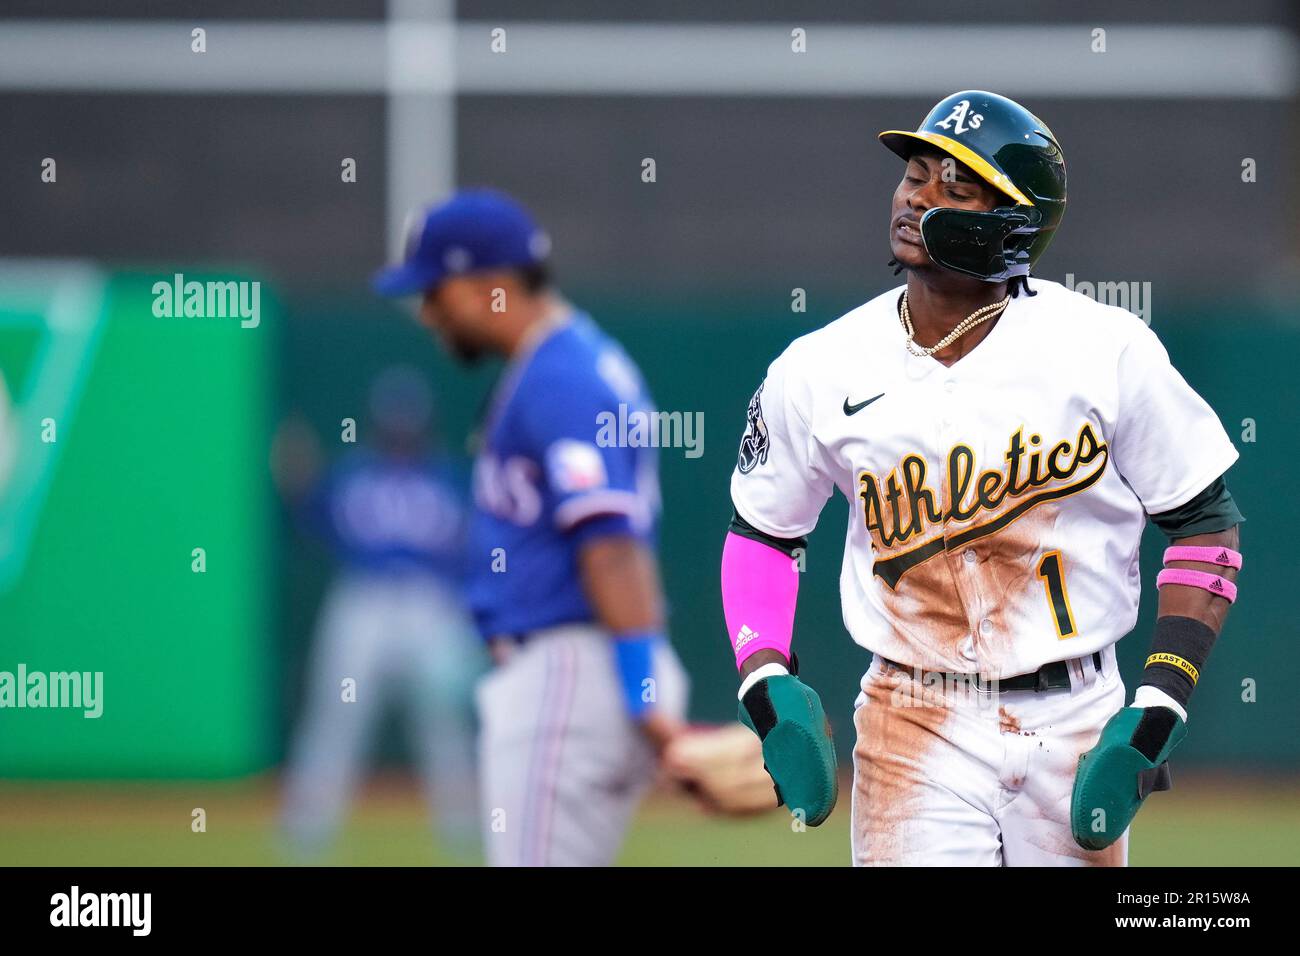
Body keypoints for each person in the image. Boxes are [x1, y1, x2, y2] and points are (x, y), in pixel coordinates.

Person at [722, 91, 1244, 866]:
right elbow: (764, 532)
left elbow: (1204, 519)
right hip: (910, 713)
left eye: (954, 185)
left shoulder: (1104, 348)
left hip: (1076, 715)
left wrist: (1161, 698)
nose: (916, 197)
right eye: (916, 174)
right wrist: (766, 681)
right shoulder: (819, 367)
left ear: (1016, 222)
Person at [373, 188, 689, 866]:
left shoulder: (560, 377)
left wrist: (643, 691)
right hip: (573, 672)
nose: (426, 313)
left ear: (489, 283)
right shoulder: (569, 361)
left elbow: (610, 544)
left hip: (572, 672)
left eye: (435, 289)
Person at [278, 365, 484, 859]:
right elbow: (313, 520)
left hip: (428, 605)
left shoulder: (447, 478)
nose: (400, 434)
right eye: (394, 424)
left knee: (445, 722)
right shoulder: (354, 474)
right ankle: (307, 833)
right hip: (364, 600)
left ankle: (465, 836)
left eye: (407, 424)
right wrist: (298, 485)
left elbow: (474, 550)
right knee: (337, 717)